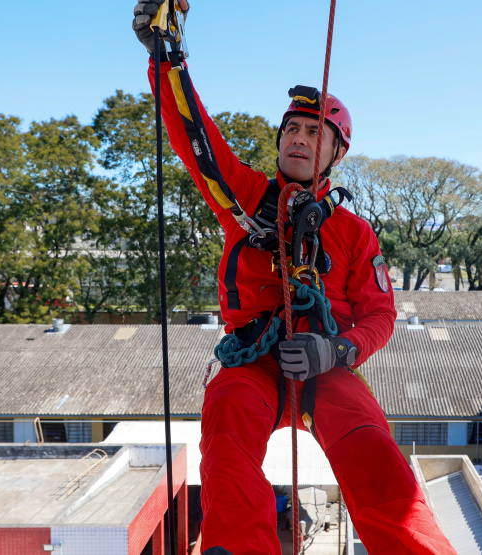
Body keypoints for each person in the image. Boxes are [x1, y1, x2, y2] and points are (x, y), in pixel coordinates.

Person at [133, 2, 456, 553]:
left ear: (336, 152)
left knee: (376, 459)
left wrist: (337, 350)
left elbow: (380, 315)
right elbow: (196, 141)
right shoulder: (245, 199)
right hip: (254, 359)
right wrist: (167, 59)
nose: (300, 139)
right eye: (292, 129)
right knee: (226, 438)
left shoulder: (354, 233)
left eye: (314, 132)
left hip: (328, 367)